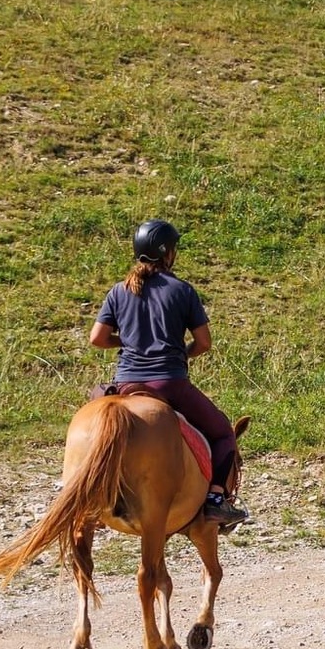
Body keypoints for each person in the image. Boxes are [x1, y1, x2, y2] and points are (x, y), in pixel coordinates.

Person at [89, 220, 247, 525]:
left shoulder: (118, 291)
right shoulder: (182, 290)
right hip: (168, 383)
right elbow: (204, 343)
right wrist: (181, 352)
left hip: (126, 383)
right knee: (223, 433)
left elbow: (97, 338)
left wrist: (130, 340)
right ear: (168, 253)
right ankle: (216, 498)